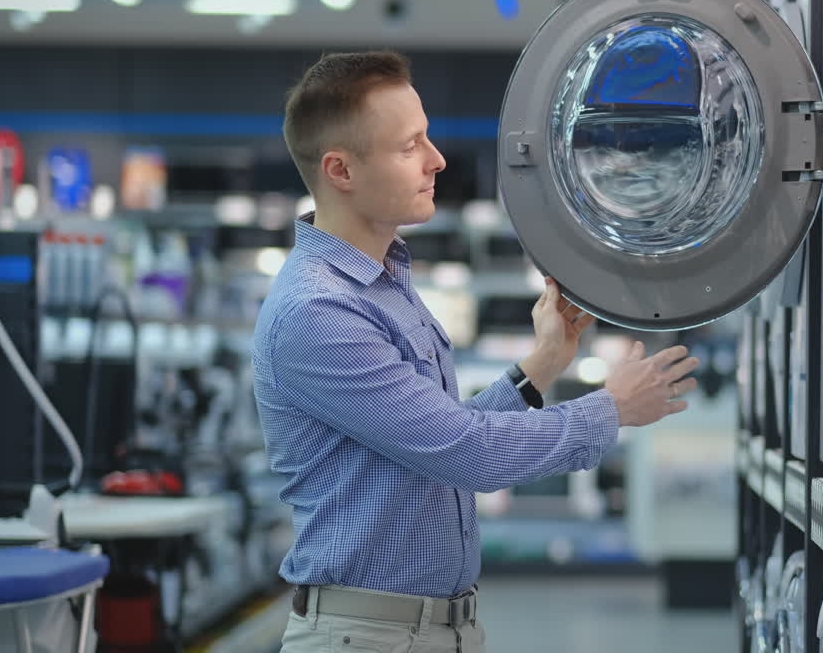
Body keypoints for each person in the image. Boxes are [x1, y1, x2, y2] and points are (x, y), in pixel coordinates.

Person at [252, 50, 700, 653]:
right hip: (367, 637)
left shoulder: (384, 284)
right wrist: (610, 409)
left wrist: (540, 366)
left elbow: (438, 447)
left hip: (428, 630)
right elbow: (467, 454)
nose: (437, 160)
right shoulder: (318, 312)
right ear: (341, 170)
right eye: (409, 146)